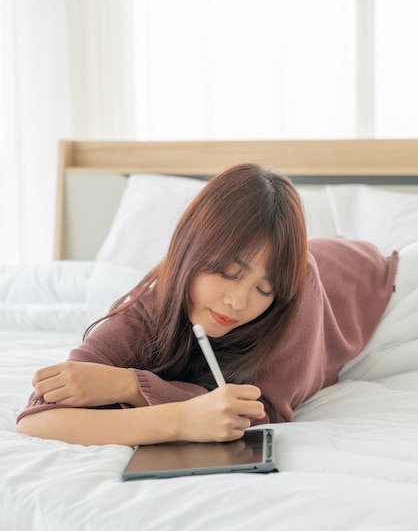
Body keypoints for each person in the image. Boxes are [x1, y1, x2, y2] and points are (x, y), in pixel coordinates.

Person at [15, 163, 398, 446]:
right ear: (191, 250)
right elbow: (35, 422)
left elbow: (264, 412)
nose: (237, 301)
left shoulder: (295, 289)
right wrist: (180, 416)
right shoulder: (151, 305)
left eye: (263, 289)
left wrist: (134, 388)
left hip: (360, 275)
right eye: (229, 272)